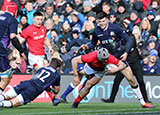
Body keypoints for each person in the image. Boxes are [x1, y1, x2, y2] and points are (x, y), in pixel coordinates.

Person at [81, 12, 154, 108]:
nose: (102, 23)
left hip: (118, 58)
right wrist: (87, 46)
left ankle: (143, 102)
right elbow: (93, 44)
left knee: (131, 80)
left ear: (107, 19)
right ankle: (80, 97)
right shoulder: (96, 31)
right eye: (100, 22)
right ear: (97, 22)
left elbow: (128, 40)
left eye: (103, 21)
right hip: (105, 59)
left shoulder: (115, 28)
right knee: (91, 77)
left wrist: (126, 53)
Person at [71, 47, 153, 108]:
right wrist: (75, 76)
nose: (105, 61)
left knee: (89, 85)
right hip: (90, 67)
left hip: (101, 70)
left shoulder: (110, 58)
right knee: (82, 77)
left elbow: (123, 65)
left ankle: (76, 102)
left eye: (105, 59)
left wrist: (115, 70)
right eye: (103, 60)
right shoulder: (90, 56)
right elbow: (74, 60)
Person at [0, 2, 25, 93]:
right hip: (1, 50)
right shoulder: (12, 20)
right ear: (15, 12)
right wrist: (21, 51)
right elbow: (13, 38)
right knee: (7, 76)